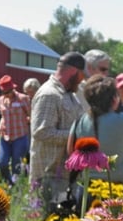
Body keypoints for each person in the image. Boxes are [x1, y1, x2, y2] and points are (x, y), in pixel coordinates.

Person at [67, 75, 123, 185]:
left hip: (86, 188)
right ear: (114, 99)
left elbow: (71, 152)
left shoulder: (79, 121)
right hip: (114, 188)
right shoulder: (121, 119)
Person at [29, 52, 85, 210]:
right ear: (74, 71)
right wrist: (75, 136)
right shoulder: (49, 94)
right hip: (48, 176)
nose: (82, 80)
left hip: (63, 174)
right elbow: (41, 132)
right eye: (82, 75)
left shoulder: (70, 95)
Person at [0, 75, 31, 185]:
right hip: (5, 136)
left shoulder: (23, 99)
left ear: (12, 89)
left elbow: (31, 114)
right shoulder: (1, 100)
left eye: (8, 92)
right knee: (2, 162)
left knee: (17, 164)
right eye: (4, 93)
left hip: (19, 136)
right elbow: (3, 116)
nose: (6, 95)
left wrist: (28, 121)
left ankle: (16, 187)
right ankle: (8, 182)